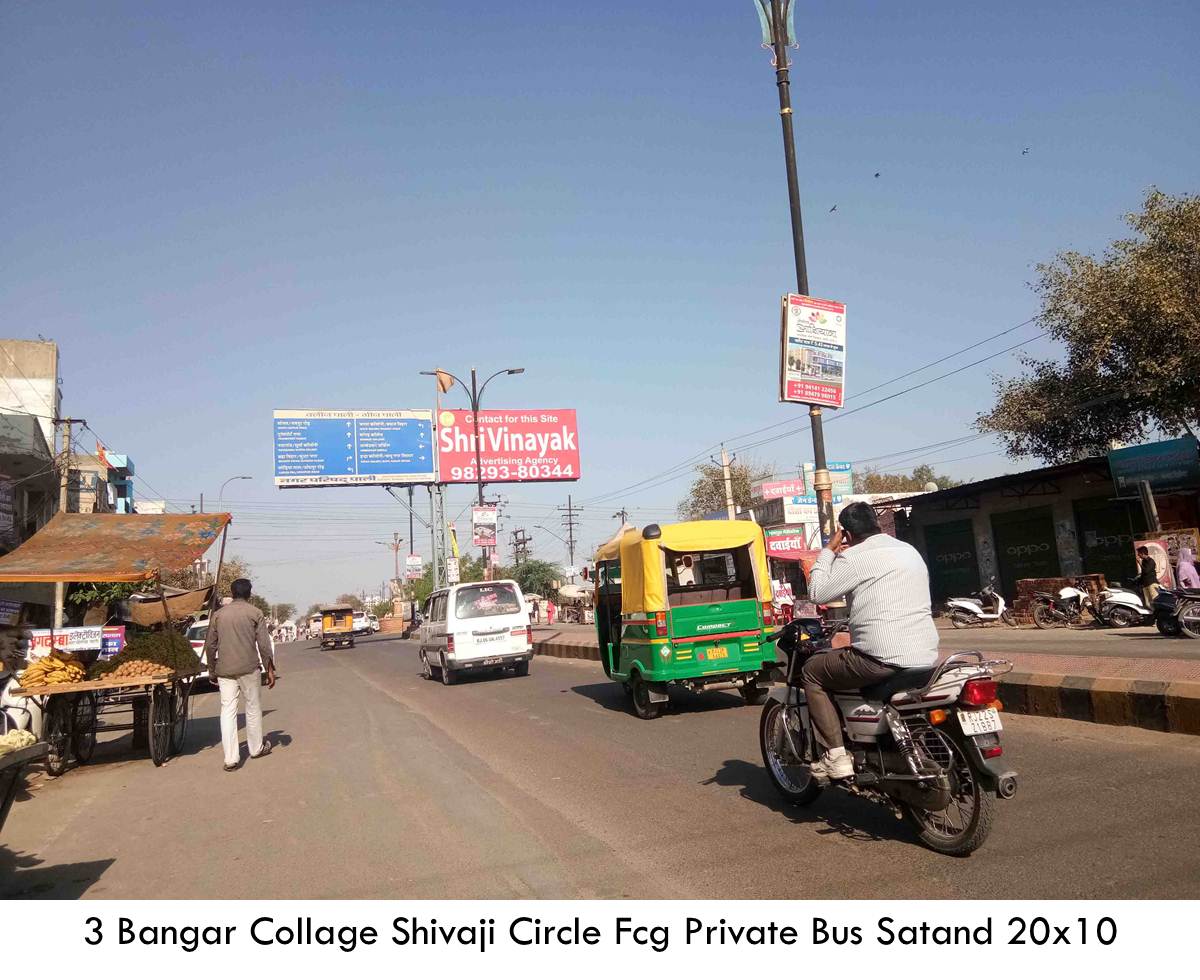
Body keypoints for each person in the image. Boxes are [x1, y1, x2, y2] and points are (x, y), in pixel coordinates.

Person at [804, 501, 940, 780]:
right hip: (926, 655)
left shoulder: (853, 557)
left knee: (812, 672)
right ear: (877, 525)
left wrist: (828, 552)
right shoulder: (908, 550)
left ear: (848, 535)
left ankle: (837, 756)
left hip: (879, 659)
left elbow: (817, 592)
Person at [203, 578, 276, 772]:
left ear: (233, 593)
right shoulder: (255, 613)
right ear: (249, 594)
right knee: (253, 707)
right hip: (249, 669)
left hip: (225, 671)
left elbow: (210, 646)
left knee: (228, 711)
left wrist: (212, 670)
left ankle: (231, 759)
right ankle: (256, 748)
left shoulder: (218, 615)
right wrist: (270, 669)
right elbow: (264, 645)